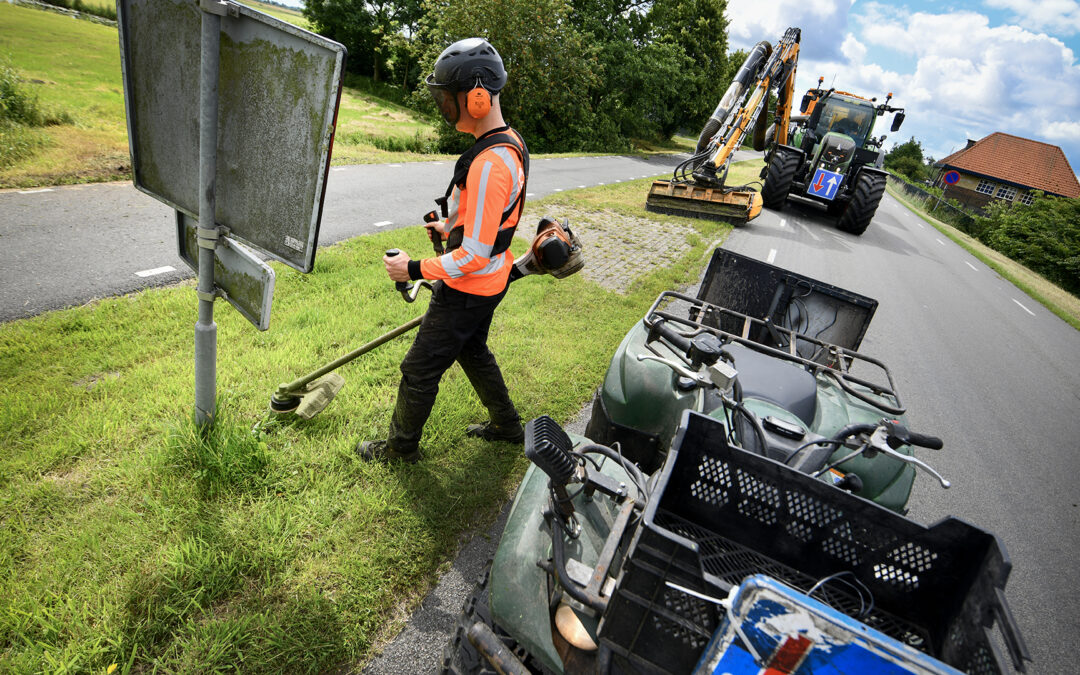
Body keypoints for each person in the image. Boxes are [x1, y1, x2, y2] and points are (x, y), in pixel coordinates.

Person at [357, 38, 529, 463]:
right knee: (472, 351)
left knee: (418, 369)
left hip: (469, 286)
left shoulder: (491, 162)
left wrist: (412, 268)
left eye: (446, 98)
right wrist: (449, 225)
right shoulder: (508, 143)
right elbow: (490, 222)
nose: (443, 106)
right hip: (491, 280)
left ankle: (399, 450)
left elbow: (472, 254)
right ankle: (508, 426)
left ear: (475, 97)